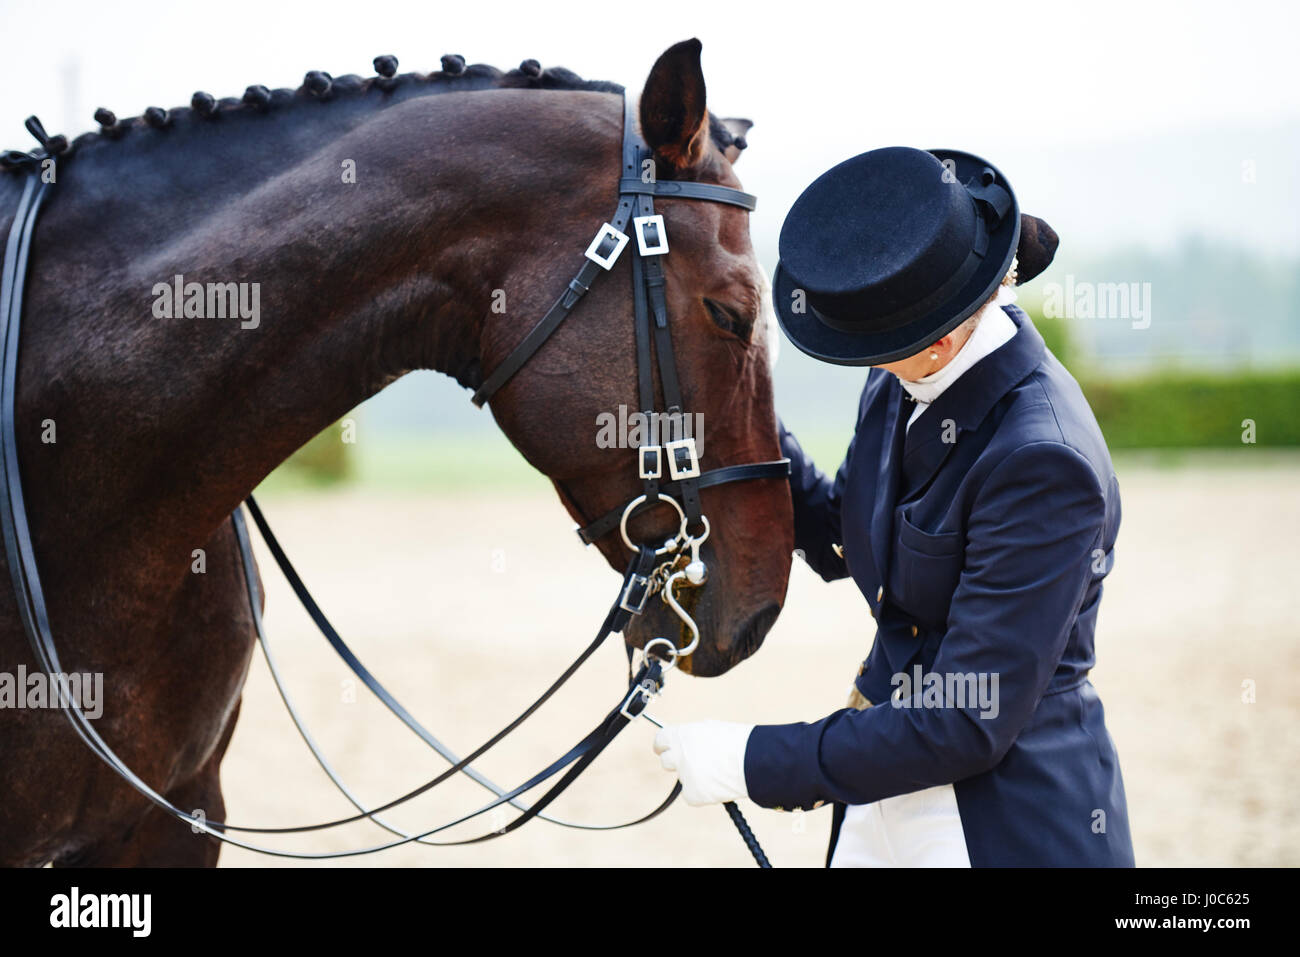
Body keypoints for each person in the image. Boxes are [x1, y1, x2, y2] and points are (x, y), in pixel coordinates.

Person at [653, 146, 1134, 867]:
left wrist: (752, 758)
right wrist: (737, 404)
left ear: (938, 340)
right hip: (876, 781)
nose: (865, 364)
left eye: (871, 348)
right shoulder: (901, 383)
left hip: (999, 812)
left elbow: (964, 719)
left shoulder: (1043, 461)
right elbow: (842, 534)